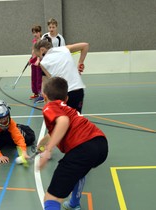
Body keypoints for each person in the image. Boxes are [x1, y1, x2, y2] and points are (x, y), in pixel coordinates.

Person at [37, 77, 108, 210]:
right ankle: (74, 203)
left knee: (51, 198)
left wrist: (48, 151)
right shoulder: (67, 109)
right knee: (79, 170)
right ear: (66, 99)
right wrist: (43, 142)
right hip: (100, 145)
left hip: (83, 148)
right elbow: (60, 128)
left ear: (44, 96)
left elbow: (63, 122)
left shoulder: (49, 106)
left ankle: (71, 203)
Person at [33, 38, 89, 113]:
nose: (39, 58)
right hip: (78, 90)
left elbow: (48, 83)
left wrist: (46, 104)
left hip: (63, 95)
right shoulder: (64, 49)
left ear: (42, 50)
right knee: (76, 121)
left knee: (63, 122)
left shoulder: (43, 63)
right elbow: (85, 46)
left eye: (38, 56)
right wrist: (80, 62)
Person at [34, 18, 66, 104]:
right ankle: (43, 96)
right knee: (44, 79)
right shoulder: (44, 36)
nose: (51, 29)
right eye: (50, 27)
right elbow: (39, 48)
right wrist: (39, 59)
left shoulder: (60, 39)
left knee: (55, 79)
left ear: (56, 27)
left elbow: (63, 51)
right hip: (46, 62)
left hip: (56, 63)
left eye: (53, 27)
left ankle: (57, 96)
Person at [29, 25, 43, 102]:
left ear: (40, 32)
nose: (35, 34)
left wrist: (37, 60)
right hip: (34, 60)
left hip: (39, 61)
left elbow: (39, 51)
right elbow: (33, 51)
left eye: (37, 32)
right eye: (34, 32)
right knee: (33, 78)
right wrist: (31, 59)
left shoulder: (41, 41)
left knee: (39, 79)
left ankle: (40, 93)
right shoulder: (34, 41)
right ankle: (35, 93)